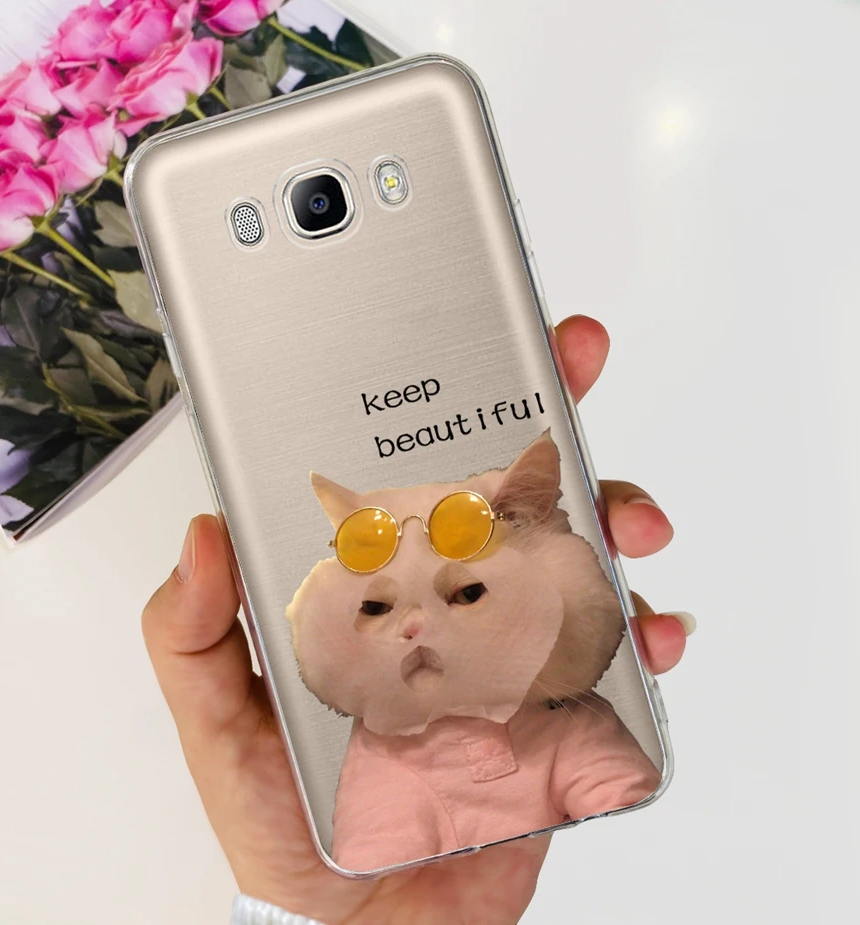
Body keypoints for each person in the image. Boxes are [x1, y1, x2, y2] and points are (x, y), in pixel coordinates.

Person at [142, 316, 695, 925]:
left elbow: (640, 824)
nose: (412, 629)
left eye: (466, 593)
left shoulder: (572, 725)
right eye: (376, 607)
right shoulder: (387, 769)